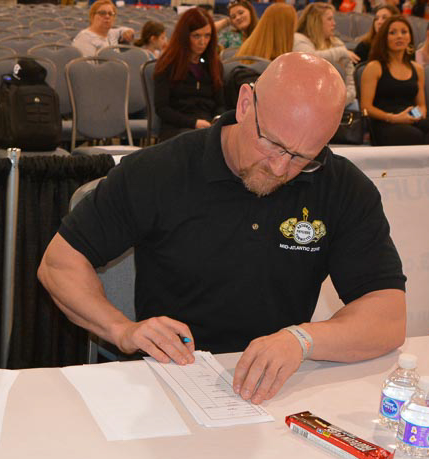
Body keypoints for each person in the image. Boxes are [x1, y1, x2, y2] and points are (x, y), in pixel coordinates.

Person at [38, 52, 407, 405]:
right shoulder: (160, 170)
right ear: (245, 104)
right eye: (272, 143)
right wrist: (122, 329)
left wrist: (303, 340)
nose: (280, 168)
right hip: (172, 380)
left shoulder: (342, 187)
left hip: (277, 388)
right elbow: (59, 263)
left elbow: (388, 315)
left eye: (303, 158)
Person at [360, 15, 429, 144]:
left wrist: (415, 116)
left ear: (410, 37)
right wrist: (393, 118)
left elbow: (421, 105)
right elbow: (366, 107)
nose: (399, 36)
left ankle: (427, 156)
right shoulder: (374, 67)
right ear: (384, 38)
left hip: (409, 118)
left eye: (404, 32)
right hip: (385, 121)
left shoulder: (417, 68)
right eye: (393, 33)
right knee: (413, 134)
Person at [153, 7, 224, 141]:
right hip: (176, 127)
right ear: (185, 36)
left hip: (208, 126)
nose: (202, 42)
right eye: (196, 36)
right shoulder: (167, 65)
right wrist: (193, 123)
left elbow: (220, 104)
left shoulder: (215, 65)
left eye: (207, 36)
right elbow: (162, 108)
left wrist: (217, 120)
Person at [294, 3, 359, 105]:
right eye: (329, 19)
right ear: (316, 22)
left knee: (355, 104)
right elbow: (310, 58)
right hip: (306, 101)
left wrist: (341, 101)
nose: (334, 23)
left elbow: (350, 81)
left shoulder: (337, 43)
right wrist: (341, 52)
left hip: (339, 102)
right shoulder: (299, 39)